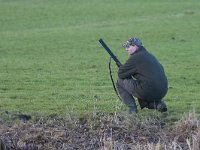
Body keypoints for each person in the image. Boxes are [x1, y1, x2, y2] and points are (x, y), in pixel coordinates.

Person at [116, 37, 168, 113]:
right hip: (162, 91)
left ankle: (132, 109)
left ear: (135, 46)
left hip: (148, 90)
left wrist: (122, 67)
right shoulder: (149, 55)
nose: (126, 49)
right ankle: (158, 104)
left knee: (120, 82)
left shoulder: (135, 57)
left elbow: (121, 74)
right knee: (142, 86)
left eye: (128, 46)